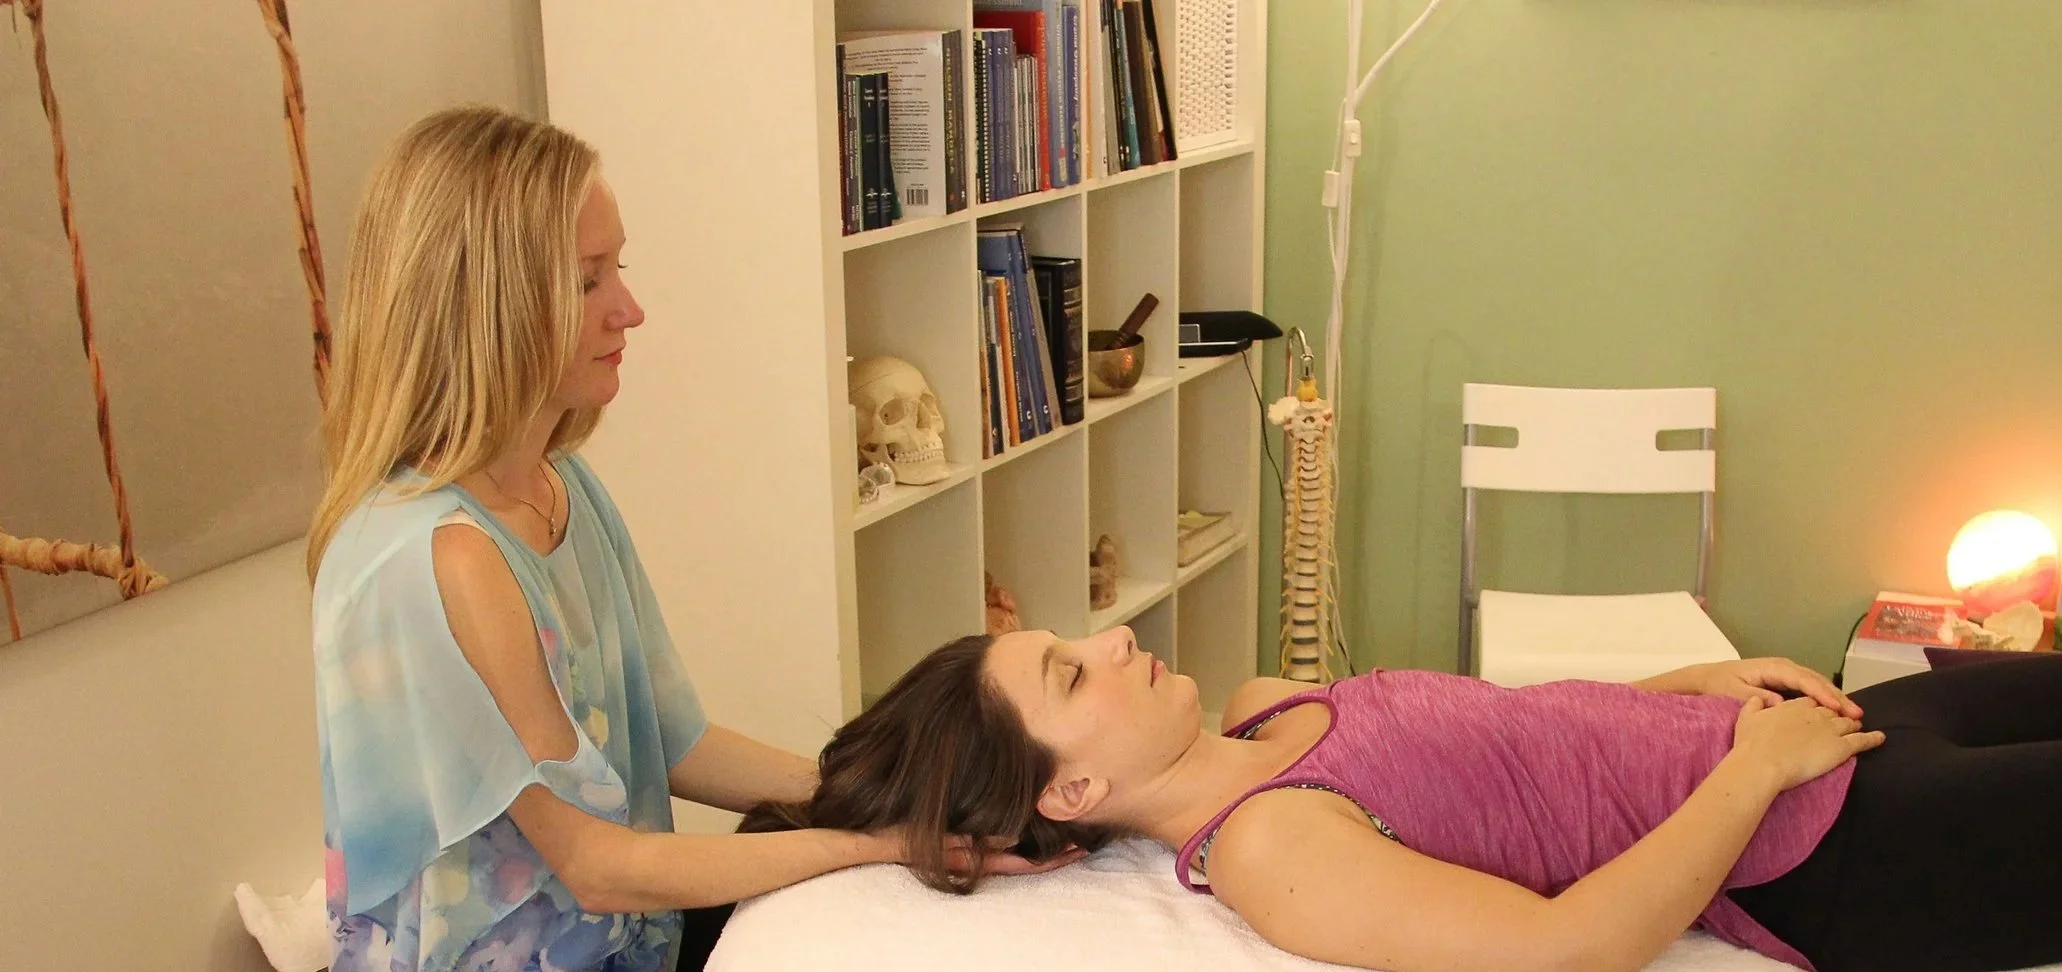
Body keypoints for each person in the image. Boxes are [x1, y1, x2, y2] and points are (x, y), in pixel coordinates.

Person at [306, 105, 1061, 972]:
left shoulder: (561, 486)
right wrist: (879, 842)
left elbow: (674, 741)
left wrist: (898, 797)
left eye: (617, 269)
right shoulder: (441, 560)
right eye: (589, 280)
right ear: (488, 303)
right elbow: (596, 868)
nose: (629, 309)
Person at [741, 626, 2062, 972]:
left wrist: (1695, 687)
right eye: (1068, 674)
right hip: (1843, 853)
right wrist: (1744, 772)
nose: (1108, 639)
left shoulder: (1265, 705)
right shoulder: (1268, 853)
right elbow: (1568, 947)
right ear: (1075, 786)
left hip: (1817, 741)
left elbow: (1509, 746)